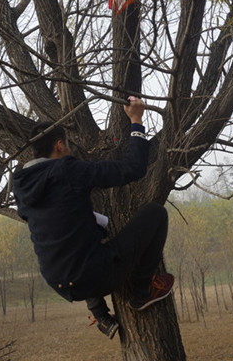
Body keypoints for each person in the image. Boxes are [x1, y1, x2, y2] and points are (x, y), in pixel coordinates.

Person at [12, 97, 174, 339]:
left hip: (58, 281)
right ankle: (141, 293)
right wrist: (136, 120)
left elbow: (55, 219)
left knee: (82, 233)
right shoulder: (67, 170)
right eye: (68, 145)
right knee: (156, 213)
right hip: (92, 276)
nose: (70, 150)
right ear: (59, 145)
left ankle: (101, 315)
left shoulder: (22, 185)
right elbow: (133, 168)